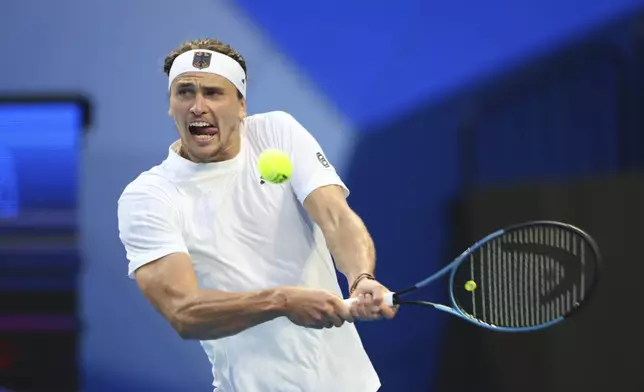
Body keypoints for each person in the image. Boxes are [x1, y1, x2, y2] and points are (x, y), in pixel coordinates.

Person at [117, 38, 397, 392]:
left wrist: (360, 278)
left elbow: (336, 217)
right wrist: (281, 301)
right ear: (171, 106)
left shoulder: (277, 132)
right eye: (184, 92)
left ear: (241, 106)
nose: (198, 107)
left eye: (214, 93)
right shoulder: (149, 196)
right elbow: (183, 312)